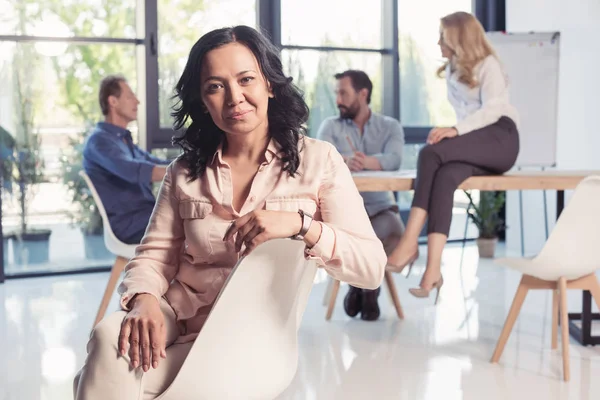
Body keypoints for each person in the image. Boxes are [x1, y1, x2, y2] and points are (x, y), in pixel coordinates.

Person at [73, 25, 387, 399]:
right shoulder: (184, 172)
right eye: (215, 86)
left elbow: (371, 268)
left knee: (100, 377)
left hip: (252, 337)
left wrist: (303, 226)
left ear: (270, 84)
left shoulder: (319, 161)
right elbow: (153, 257)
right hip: (175, 316)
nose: (234, 97)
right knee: (110, 336)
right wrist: (143, 302)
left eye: (246, 79)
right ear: (202, 101)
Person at [386, 11, 520, 302]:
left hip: (501, 137)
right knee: (445, 175)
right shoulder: (451, 70)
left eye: (443, 37)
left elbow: (493, 110)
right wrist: (458, 132)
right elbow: (465, 114)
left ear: (460, 39)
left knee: (430, 153)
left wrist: (455, 130)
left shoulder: (488, 65)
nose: (438, 43)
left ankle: (409, 242)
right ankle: (433, 270)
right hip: (477, 140)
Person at [317, 70, 406, 321]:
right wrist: (345, 160)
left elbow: (395, 159)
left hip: (381, 209)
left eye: (343, 93)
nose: (338, 100)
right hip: (342, 213)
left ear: (363, 94)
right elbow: (321, 160)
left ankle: (359, 285)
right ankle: (369, 286)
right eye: (336, 93)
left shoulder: (389, 127)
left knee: (390, 228)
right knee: (354, 233)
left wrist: (367, 161)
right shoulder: (330, 127)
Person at [82, 75, 170, 245]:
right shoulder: (99, 141)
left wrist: (192, 162)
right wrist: (182, 170)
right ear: (113, 102)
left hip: (147, 216)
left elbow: (155, 163)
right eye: (130, 97)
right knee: (198, 223)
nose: (137, 101)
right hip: (130, 224)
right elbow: (133, 170)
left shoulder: (123, 140)